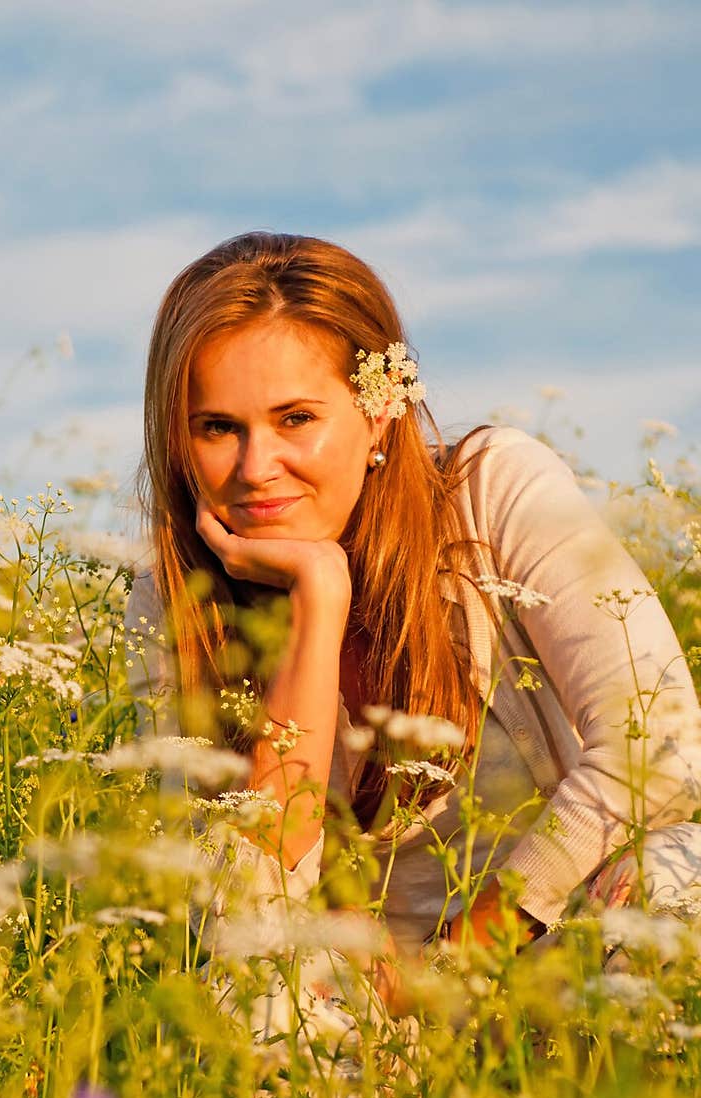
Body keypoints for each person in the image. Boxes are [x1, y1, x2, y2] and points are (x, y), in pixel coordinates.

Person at [123, 229, 701, 1014]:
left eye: (295, 418)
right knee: (245, 992)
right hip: (370, 1026)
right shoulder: (174, 597)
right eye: (218, 427)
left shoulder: (492, 490)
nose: (256, 469)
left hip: (546, 961)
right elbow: (237, 910)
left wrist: (464, 956)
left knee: (673, 884)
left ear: (382, 408)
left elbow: (662, 742)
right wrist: (317, 606)